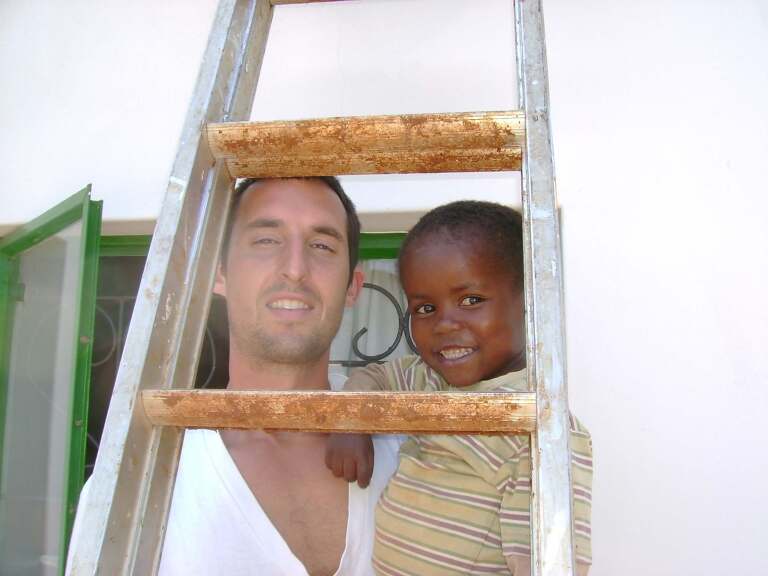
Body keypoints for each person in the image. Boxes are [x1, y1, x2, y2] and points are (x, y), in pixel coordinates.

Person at [68, 177, 401, 576]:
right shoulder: (135, 483)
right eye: (265, 241)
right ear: (219, 273)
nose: (295, 269)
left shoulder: (413, 459)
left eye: (322, 245)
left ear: (353, 287)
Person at [325, 201, 593, 576]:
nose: (445, 324)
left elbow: (547, 563)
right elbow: (374, 378)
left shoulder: (537, 428)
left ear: (530, 303)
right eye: (424, 308)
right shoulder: (427, 377)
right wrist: (350, 419)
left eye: (471, 300)